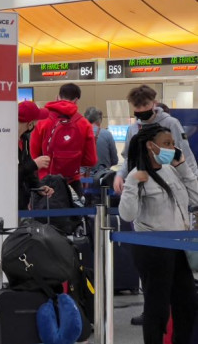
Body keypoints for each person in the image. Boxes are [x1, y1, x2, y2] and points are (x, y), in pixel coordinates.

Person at [118, 124, 198, 344]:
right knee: (157, 307)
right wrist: (132, 183)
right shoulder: (138, 175)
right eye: (166, 144)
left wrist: (183, 167)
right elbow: (127, 215)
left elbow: (196, 198)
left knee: (188, 303)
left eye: (172, 144)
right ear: (150, 146)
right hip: (151, 248)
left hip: (177, 246)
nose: (172, 148)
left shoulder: (172, 170)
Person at [114, 85, 198, 194]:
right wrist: (120, 175)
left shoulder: (171, 123)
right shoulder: (133, 129)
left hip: (170, 184)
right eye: (137, 106)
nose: (142, 109)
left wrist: (194, 181)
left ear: (154, 103)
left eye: (145, 104)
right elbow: (129, 158)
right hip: (143, 185)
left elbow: (185, 154)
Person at [29, 83, 97, 196]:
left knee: (45, 213)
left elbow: (34, 156)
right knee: (77, 211)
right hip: (73, 183)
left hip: (46, 183)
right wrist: (72, 159)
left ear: (57, 97)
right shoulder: (84, 123)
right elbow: (91, 160)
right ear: (76, 101)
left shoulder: (42, 120)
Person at [18, 101, 54, 210]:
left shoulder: (24, 140)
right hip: (9, 204)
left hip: (22, 203)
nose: (37, 124)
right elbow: (10, 176)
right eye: (36, 121)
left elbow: (27, 174)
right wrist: (34, 164)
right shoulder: (6, 143)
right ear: (30, 124)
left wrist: (38, 187)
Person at [83, 107, 118, 172]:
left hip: (84, 179)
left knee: (87, 181)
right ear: (100, 120)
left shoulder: (79, 134)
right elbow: (114, 160)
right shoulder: (107, 134)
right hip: (101, 178)